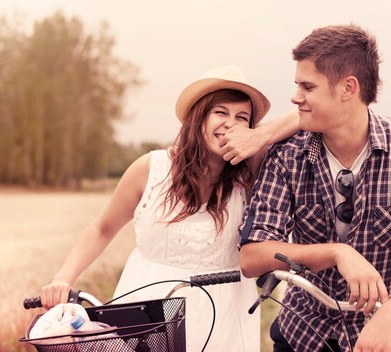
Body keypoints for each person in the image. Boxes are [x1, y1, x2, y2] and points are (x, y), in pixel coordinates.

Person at [238, 24, 391, 352]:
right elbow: (252, 255)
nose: (295, 97)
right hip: (303, 337)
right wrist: (337, 253)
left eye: (307, 87)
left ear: (348, 88)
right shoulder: (286, 154)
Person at [40, 65, 299, 351]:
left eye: (242, 118)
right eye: (220, 113)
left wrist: (261, 137)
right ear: (198, 117)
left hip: (223, 313)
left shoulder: (248, 173)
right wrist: (63, 278)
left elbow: (306, 114)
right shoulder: (151, 169)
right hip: (150, 312)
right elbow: (102, 229)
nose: (230, 124)